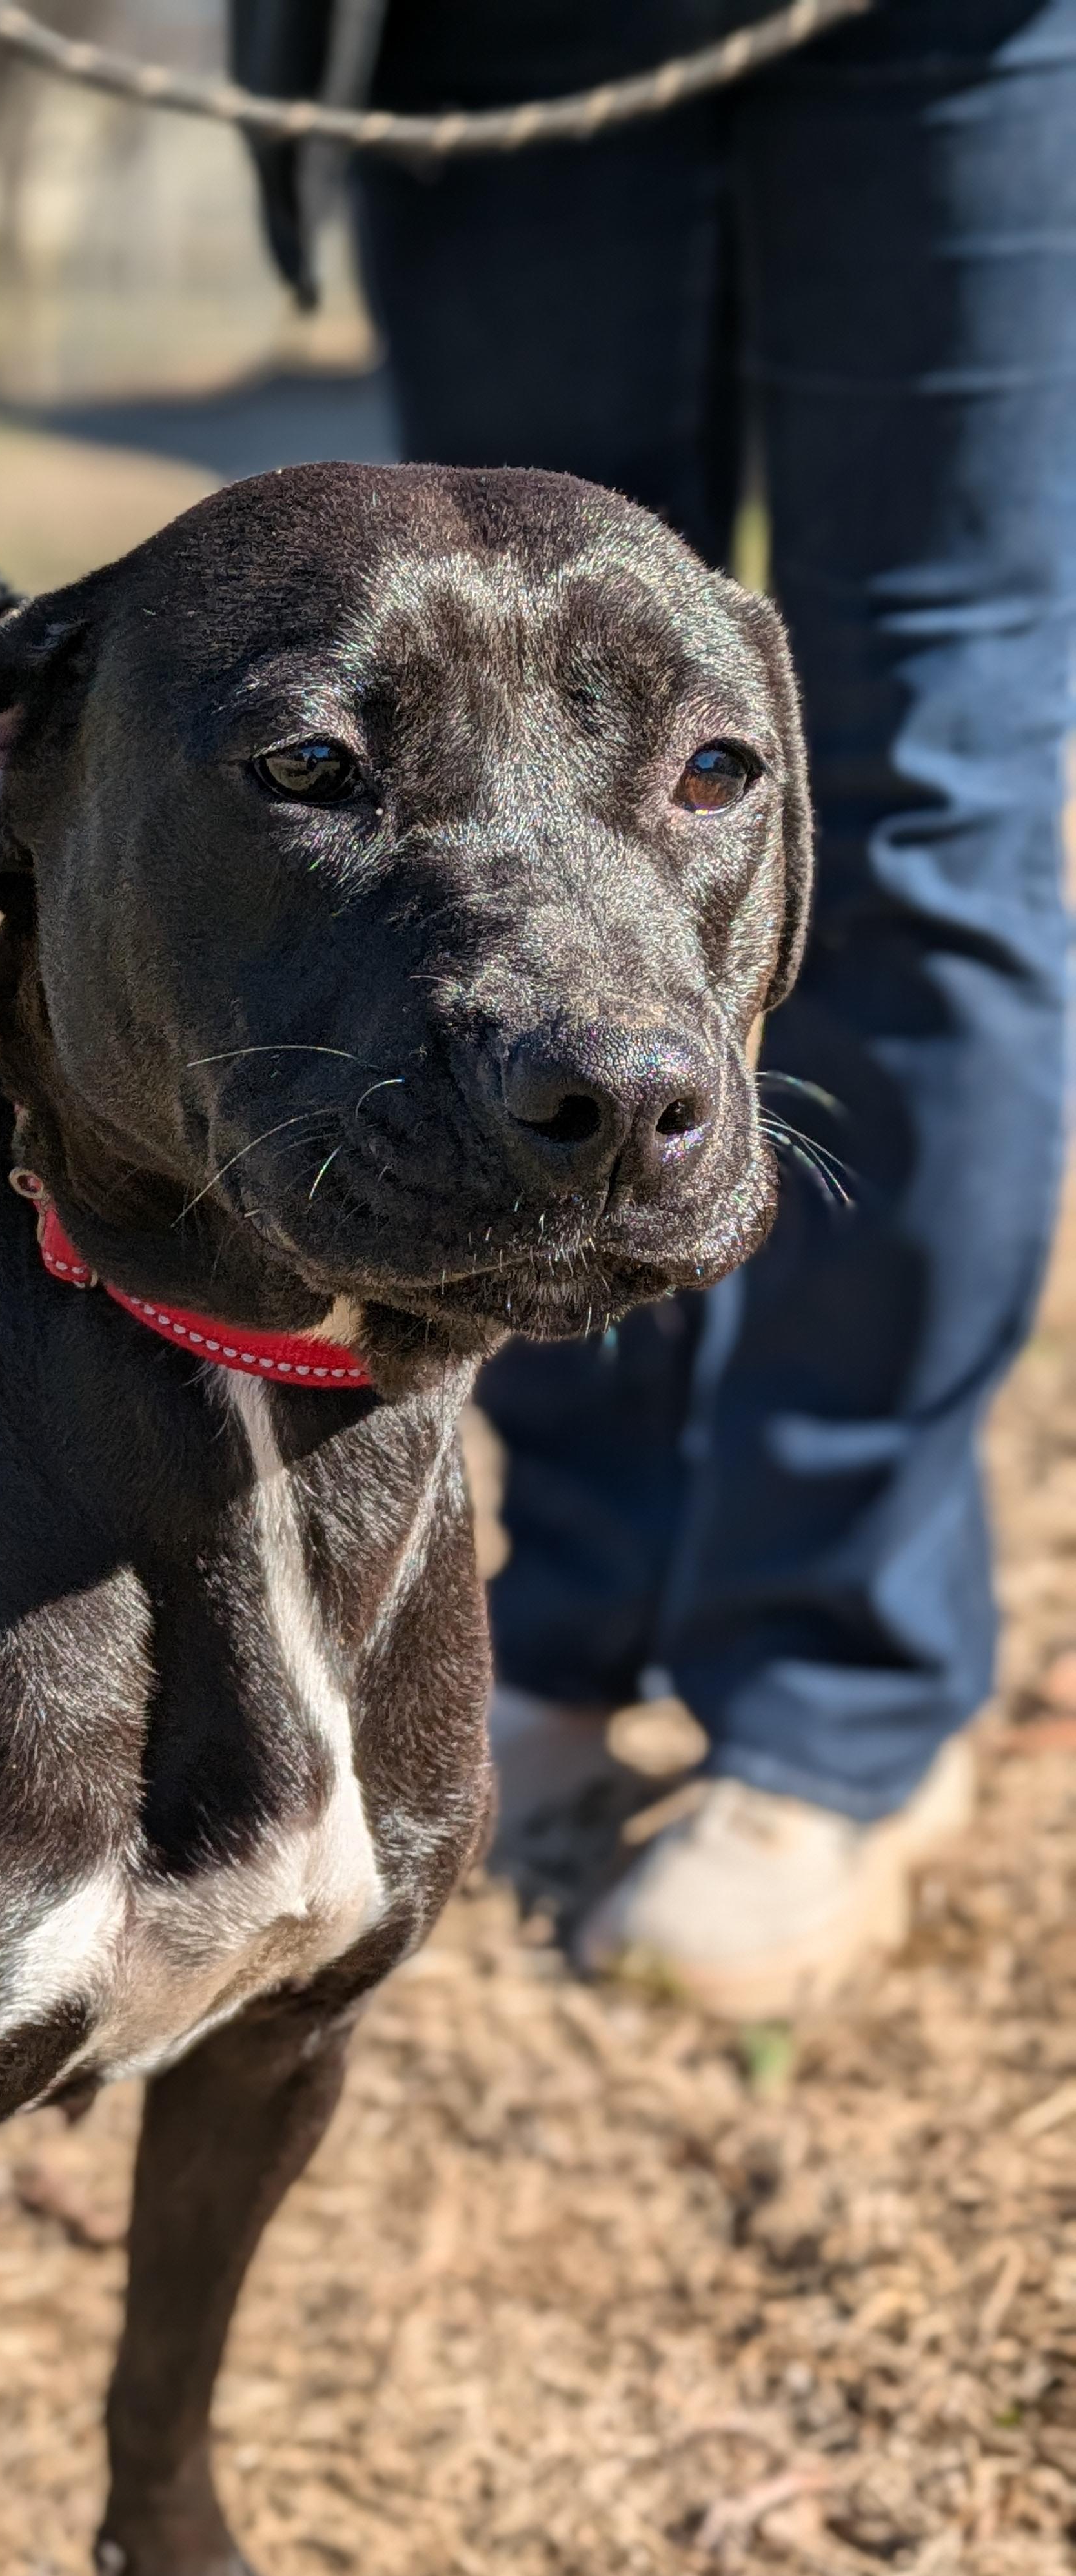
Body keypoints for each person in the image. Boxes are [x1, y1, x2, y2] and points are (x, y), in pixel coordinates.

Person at [329, 0, 1076, 2013]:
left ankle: (840, 1683)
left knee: (915, 799)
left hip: (963, 31)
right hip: (502, 35)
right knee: (522, 782)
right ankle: (572, 1603)